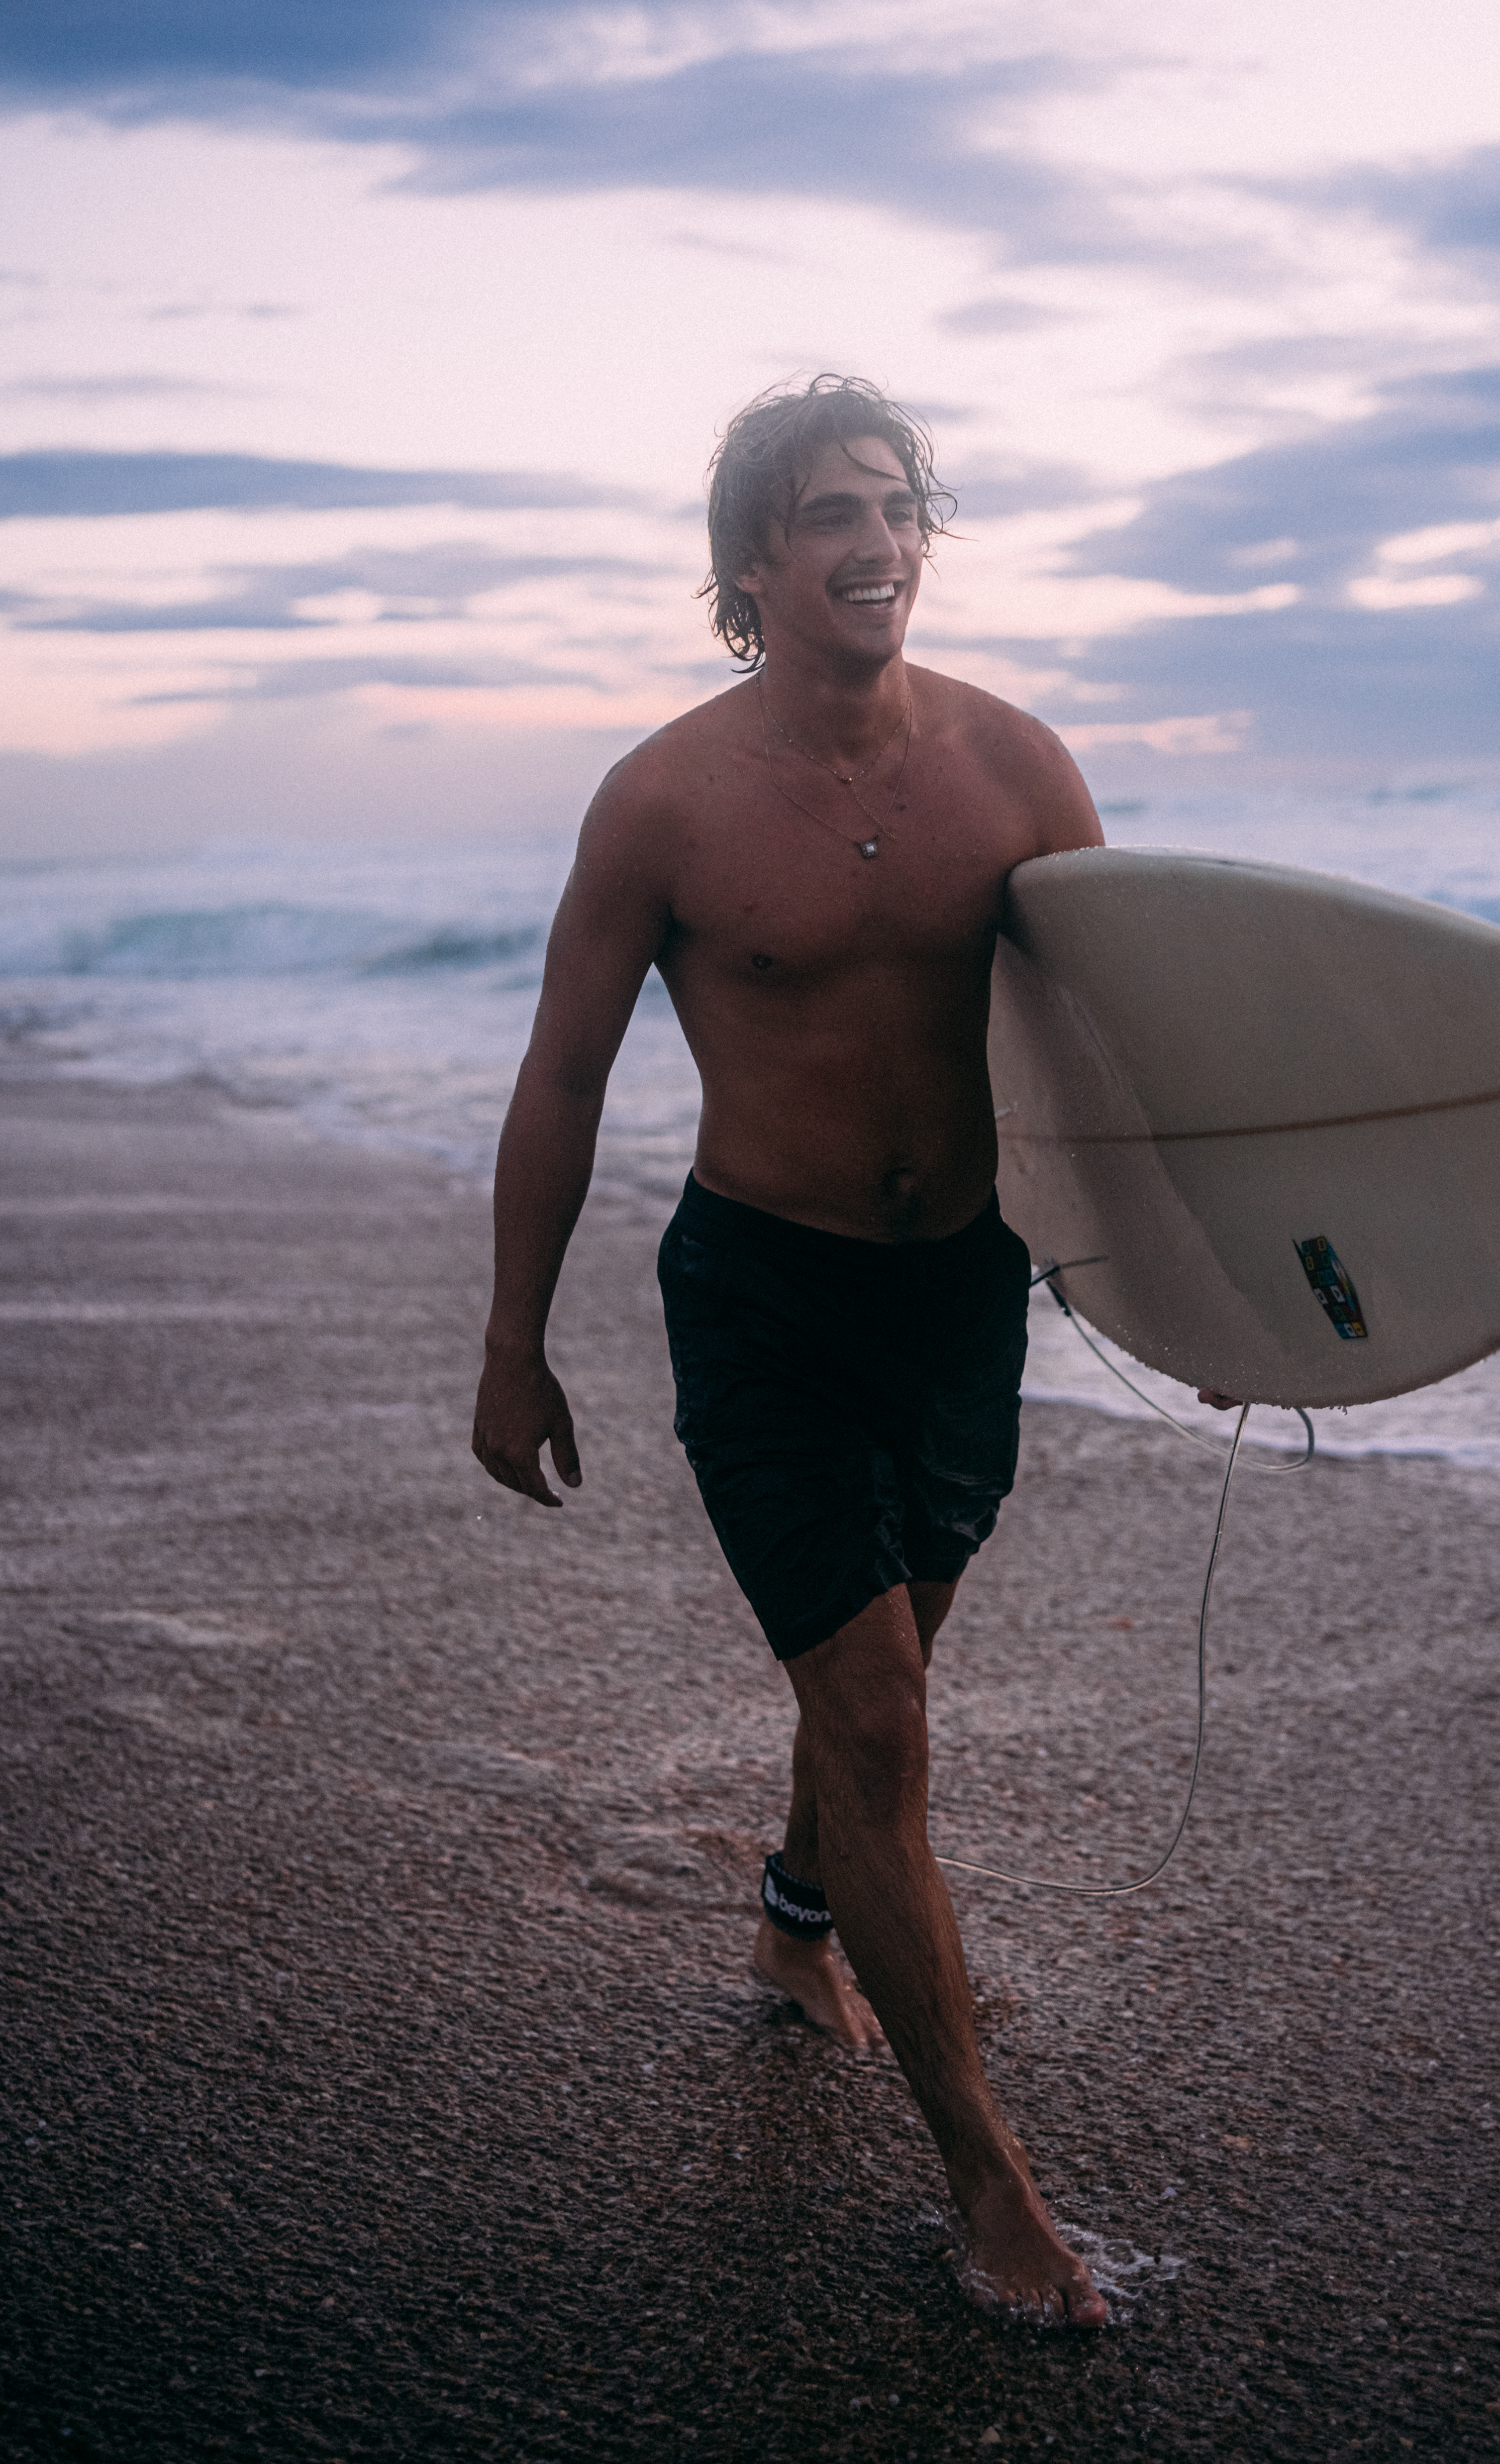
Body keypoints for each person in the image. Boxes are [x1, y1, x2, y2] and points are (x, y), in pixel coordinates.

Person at [471, 375, 1110, 2327]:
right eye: (829, 512)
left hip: (957, 1301)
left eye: (898, 507)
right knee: (888, 1718)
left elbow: (1139, 1054)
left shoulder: (1018, 772)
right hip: (761, 1296)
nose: (873, 541)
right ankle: (991, 2189)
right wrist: (513, 1345)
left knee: (881, 1687)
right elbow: (566, 1071)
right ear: (753, 563)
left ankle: (794, 1919)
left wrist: (1214, 1287)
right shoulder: (666, 800)